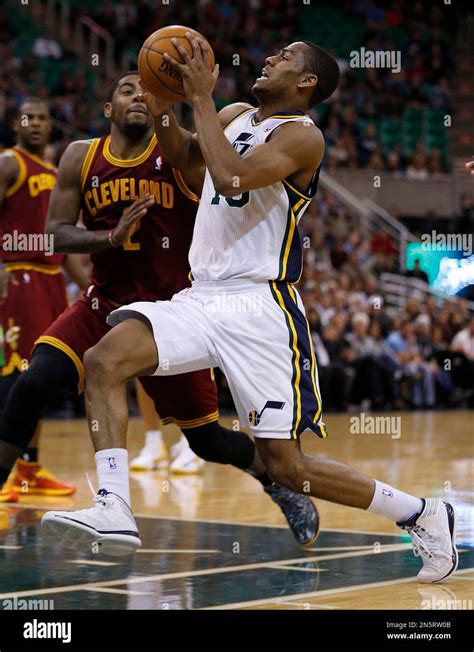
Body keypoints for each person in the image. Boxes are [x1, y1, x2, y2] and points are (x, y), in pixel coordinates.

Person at [43, 41, 458, 583]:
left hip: (262, 309)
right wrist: (168, 105)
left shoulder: (303, 136)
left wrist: (198, 97)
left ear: (306, 83)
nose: (268, 60)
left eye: (284, 58)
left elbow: (233, 175)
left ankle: (422, 514)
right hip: (201, 295)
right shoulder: (234, 115)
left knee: (289, 467)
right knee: (104, 360)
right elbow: (193, 165)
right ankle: (115, 507)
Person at [0, 73, 318, 544]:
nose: (136, 97)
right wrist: (108, 238)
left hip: (174, 314)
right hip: (101, 304)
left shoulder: (181, 155)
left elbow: (228, 175)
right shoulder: (79, 156)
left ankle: (275, 482)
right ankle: (96, 499)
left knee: (207, 441)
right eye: (125, 89)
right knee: (31, 385)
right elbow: (56, 233)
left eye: (144, 90)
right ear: (108, 109)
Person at [0, 97, 87, 502]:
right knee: (13, 376)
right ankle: (10, 469)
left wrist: (88, 286)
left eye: (42, 118)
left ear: (52, 125)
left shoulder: (55, 172)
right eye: (27, 117)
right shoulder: (9, 163)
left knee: (39, 378)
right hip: (17, 278)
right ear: (16, 123)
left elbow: (60, 243)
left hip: (51, 279)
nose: (35, 124)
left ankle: (30, 469)